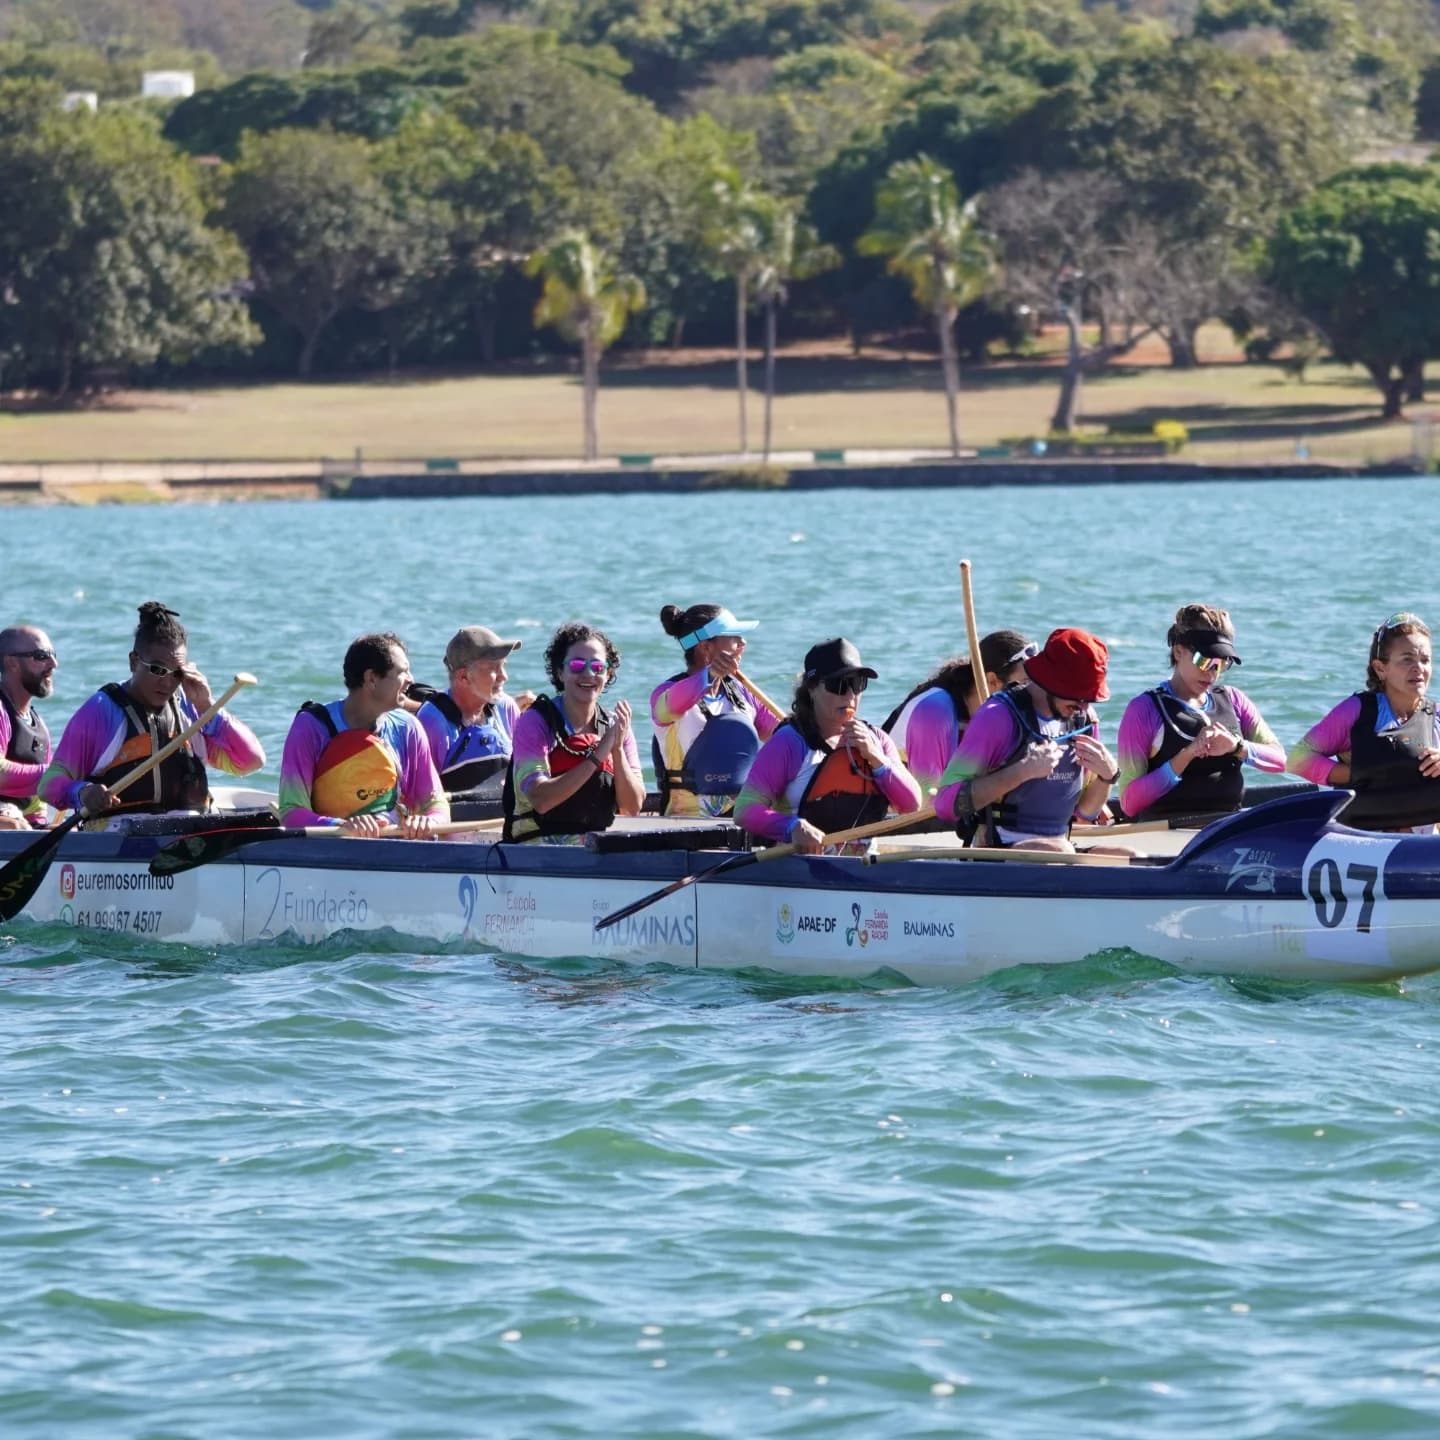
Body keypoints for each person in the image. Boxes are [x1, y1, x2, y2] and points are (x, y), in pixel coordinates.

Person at [39, 602, 265, 821]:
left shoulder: (191, 709)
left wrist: (208, 706)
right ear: (133, 662)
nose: (167, 683)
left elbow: (250, 761)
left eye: (177, 673)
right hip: (119, 840)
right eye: (157, 670)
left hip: (188, 838)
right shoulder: (101, 711)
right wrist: (83, 793)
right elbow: (48, 785)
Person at [934, 626, 1122, 852]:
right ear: (1050, 681)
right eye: (1078, 697)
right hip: (998, 851)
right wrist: (1021, 772)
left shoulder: (1083, 721)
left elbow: (1084, 813)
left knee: (1135, 858)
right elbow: (946, 804)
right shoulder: (998, 716)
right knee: (1059, 851)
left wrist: (1108, 777)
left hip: (1061, 849)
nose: (1084, 707)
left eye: (1090, 699)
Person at [734, 638, 922, 853]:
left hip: (865, 868)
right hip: (803, 867)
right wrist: (792, 827)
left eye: (858, 684)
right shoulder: (790, 743)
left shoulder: (877, 740)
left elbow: (911, 805)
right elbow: (744, 810)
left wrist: (877, 759)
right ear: (812, 688)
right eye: (839, 685)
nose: (851, 696)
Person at [1115, 604, 1286, 821]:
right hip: (1164, 833)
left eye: (1221, 664)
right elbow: (1129, 803)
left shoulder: (1234, 699)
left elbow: (1281, 761)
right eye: (1204, 661)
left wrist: (1237, 746)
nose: (1212, 674)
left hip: (1224, 830)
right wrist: (1186, 756)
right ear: (1178, 651)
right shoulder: (1144, 710)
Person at [278, 631, 447, 836]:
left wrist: (428, 821)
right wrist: (340, 826)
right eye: (402, 672)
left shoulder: (408, 728)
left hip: (394, 846)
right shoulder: (310, 727)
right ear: (372, 679)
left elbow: (436, 804)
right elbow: (290, 813)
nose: (411, 680)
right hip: (330, 849)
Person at [1287, 610, 1440, 830]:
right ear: (1381, 668)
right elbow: (1298, 759)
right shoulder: (1357, 711)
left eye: (1425, 660)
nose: (1419, 668)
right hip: (1364, 842)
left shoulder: (1436, 716)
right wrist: (1358, 772)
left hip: (1420, 846)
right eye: (1407, 660)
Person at [503, 622, 646, 843]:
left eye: (597, 667)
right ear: (560, 672)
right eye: (578, 665)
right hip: (535, 852)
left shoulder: (616, 726)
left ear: (608, 674)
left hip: (594, 853)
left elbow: (632, 806)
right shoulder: (535, 721)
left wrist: (616, 750)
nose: (588, 673)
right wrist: (598, 755)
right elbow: (541, 799)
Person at [650, 602, 783, 816]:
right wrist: (710, 675)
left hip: (741, 818)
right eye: (734, 637)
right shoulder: (666, 694)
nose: (743, 643)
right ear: (705, 646)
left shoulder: (742, 693)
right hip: (683, 822)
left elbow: (781, 733)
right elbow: (670, 707)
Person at [884, 629, 1035, 795]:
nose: (1031, 692)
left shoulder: (1005, 716)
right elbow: (929, 800)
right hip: (894, 810)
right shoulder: (934, 711)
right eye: (1025, 683)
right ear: (992, 681)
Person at [414, 625, 525, 797]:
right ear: (463, 677)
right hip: (455, 818)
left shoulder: (506, 708)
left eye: (504, 666)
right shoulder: (432, 721)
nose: (504, 676)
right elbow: (421, 794)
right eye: (493, 668)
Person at [0, 624, 57, 829]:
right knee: (14, 824)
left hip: (15, 821)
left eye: (53, 655)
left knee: (63, 832)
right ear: (12, 663)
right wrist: (51, 774)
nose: (54, 664)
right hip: (8, 821)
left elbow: (36, 804)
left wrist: (40, 827)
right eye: (42, 656)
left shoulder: (39, 726)